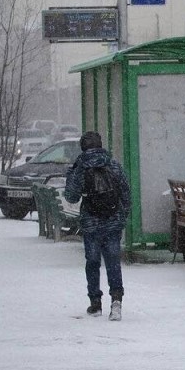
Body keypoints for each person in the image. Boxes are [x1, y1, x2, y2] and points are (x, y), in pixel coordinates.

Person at [63, 131, 132, 321]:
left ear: (83, 147)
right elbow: (126, 193)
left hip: (91, 223)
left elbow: (71, 197)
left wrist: (72, 176)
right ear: (100, 145)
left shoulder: (80, 168)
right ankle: (116, 301)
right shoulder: (113, 164)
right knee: (113, 261)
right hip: (113, 221)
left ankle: (95, 302)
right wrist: (121, 216)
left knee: (92, 262)